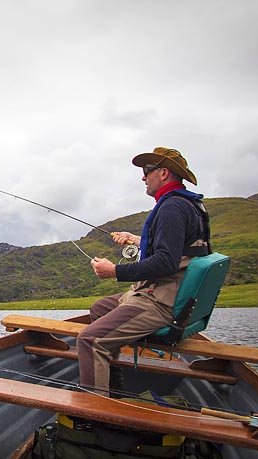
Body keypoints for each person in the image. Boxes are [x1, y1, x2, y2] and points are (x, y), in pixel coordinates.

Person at [77, 147, 210, 395]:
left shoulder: (171, 209)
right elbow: (180, 249)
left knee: (90, 340)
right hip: (170, 293)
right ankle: (113, 385)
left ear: (162, 173)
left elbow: (165, 263)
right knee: (99, 309)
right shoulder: (188, 204)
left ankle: (94, 415)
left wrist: (114, 271)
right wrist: (138, 240)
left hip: (162, 302)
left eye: (146, 171)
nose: (142, 177)